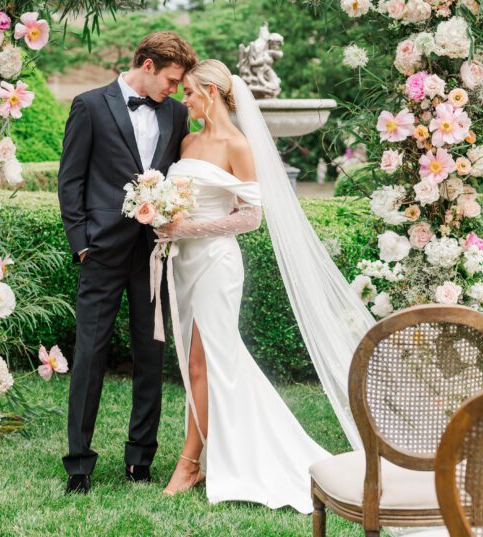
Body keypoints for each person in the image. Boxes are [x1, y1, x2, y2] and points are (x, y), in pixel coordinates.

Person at [156, 59, 331, 512]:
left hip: (216, 263)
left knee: (204, 361)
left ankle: (190, 461)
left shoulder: (238, 145)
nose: (184, 100)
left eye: (190, 93)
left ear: (211, 93)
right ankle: (216, 451)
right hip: (182, 263)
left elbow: (251, 217)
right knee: (199, 363)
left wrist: (185, 231)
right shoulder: (188, 140)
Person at [57, 32, 197, 495]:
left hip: (154, 253)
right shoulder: (90, 105)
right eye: (172, 81)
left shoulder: (176, 115)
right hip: (101, 251)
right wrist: (81, 243)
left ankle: (141, 460)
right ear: (148, 64)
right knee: (90, 354)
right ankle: (79, 463)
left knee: (150, 355)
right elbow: (71, 180)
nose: (175, 91)